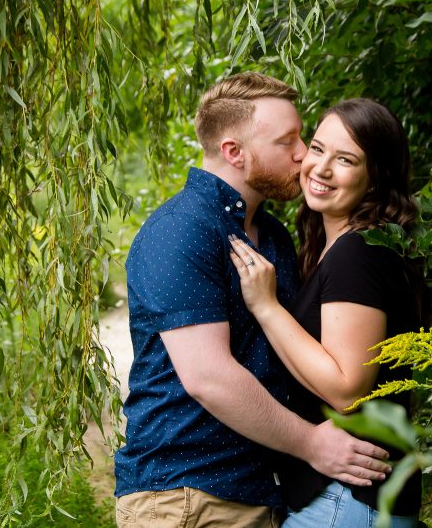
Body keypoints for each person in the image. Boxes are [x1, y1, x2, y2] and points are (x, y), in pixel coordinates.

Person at [114, 74, 392, 528]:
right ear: (233, 152)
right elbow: (208, 376)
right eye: (287, 141)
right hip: (186, 497)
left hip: (259, 494)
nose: (303, 153)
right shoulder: (180, 230)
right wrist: (312, 444)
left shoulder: (275, 237)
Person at [229, 98, 426, 527]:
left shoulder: (359, 253)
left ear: (376, 177)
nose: (320, 168)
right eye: (317, 149)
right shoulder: (344, 247)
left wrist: (266, 307)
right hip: (350, 498)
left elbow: (346, 388)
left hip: (345, 498)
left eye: (346, 160)